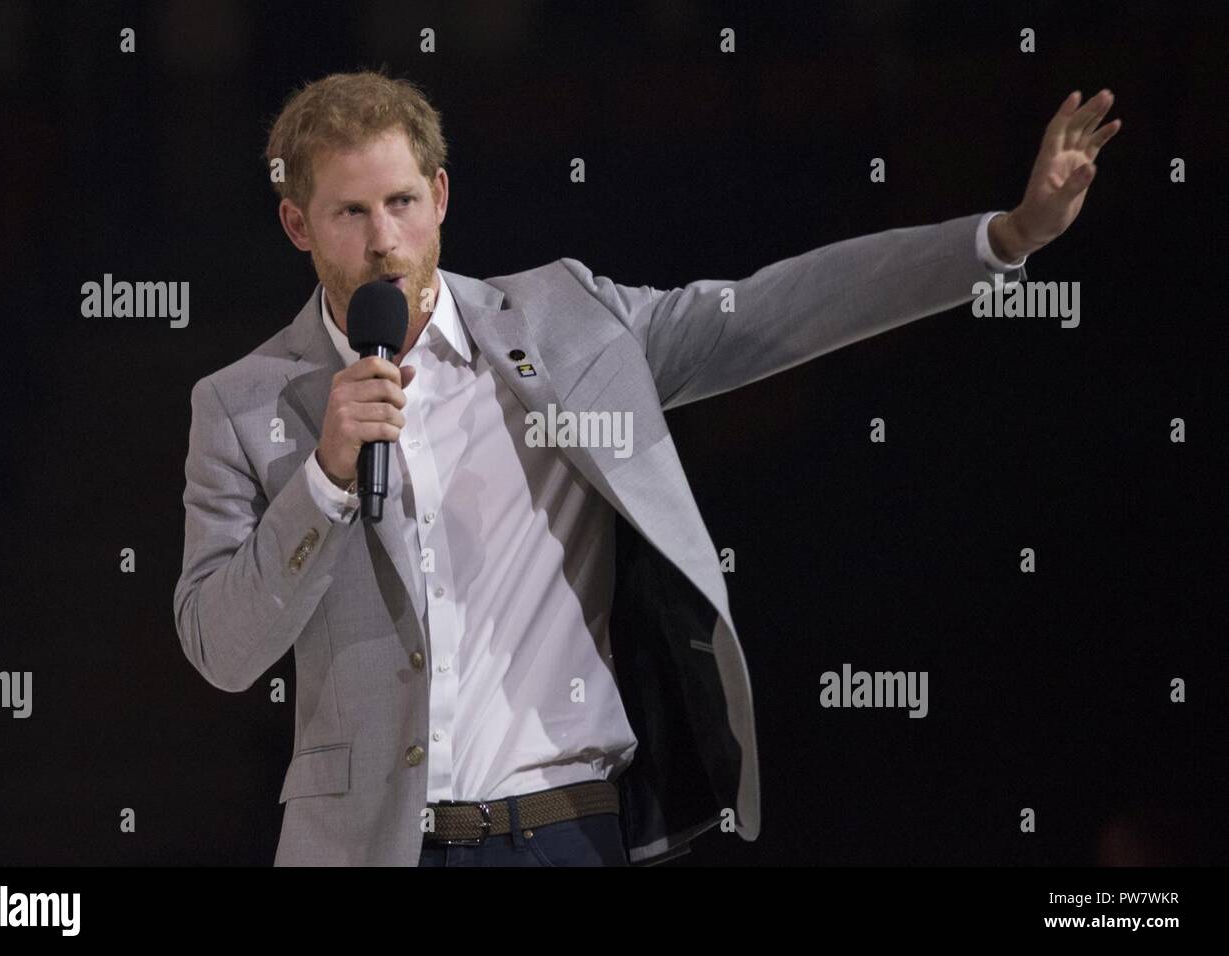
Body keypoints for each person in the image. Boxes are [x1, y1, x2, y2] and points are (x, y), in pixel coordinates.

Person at [173, 69, 1120, 866]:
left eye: (402, 203)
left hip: (564, 831)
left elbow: (765, 312)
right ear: (297, 224)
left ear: (442, 199)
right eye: (350, 211)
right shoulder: (244, 404)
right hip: (364, 847)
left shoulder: (567, 320)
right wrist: (325, 483)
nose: (384, 239)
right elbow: (220, 647)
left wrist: (1003, 239)